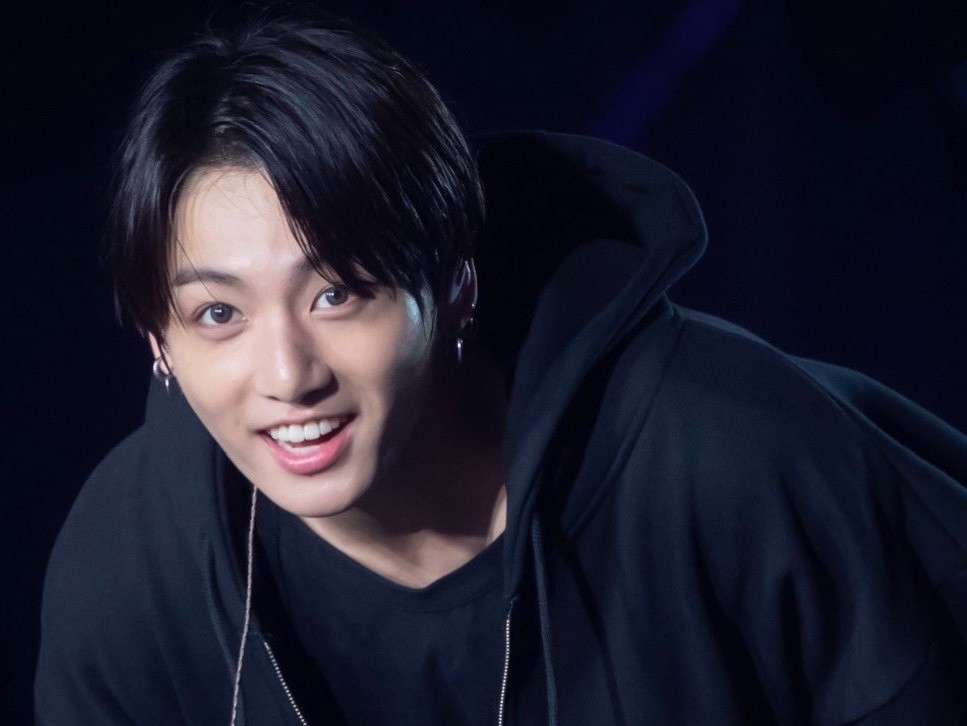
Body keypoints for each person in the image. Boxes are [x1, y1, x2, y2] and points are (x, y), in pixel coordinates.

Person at [35, 9, 967, 726]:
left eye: (337, 293)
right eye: (218, 314)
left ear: (455, 287)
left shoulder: (727, 453)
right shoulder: (130, 558)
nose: (287, 374)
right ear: (159, 341)